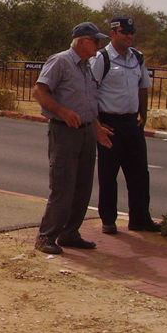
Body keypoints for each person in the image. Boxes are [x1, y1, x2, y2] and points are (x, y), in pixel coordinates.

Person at [32, 22, 114, 254]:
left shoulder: (87, 66)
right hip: (64, 131)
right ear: (82, 41)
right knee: (63, 185)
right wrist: (62, 111)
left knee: (83, 185)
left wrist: (96, 127)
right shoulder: (60, 61)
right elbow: (39, 91)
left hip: (86, 130)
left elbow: (88, 101)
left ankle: (70, 232)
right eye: (96, 41)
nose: (99, 46)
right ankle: (46, 236)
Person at [89, 15, 159, 233]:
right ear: (113, 33)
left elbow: (143, 87)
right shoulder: (102, 58)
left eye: (131, 33)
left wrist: (143, 116)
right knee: (109, 174)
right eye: (124, 33)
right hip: (109, 123)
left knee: (139, 173)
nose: (129, 36)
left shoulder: (137, 57)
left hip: (131, 123)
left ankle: (140, 219)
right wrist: (97, 124)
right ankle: (108, 220)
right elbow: (90, 91)